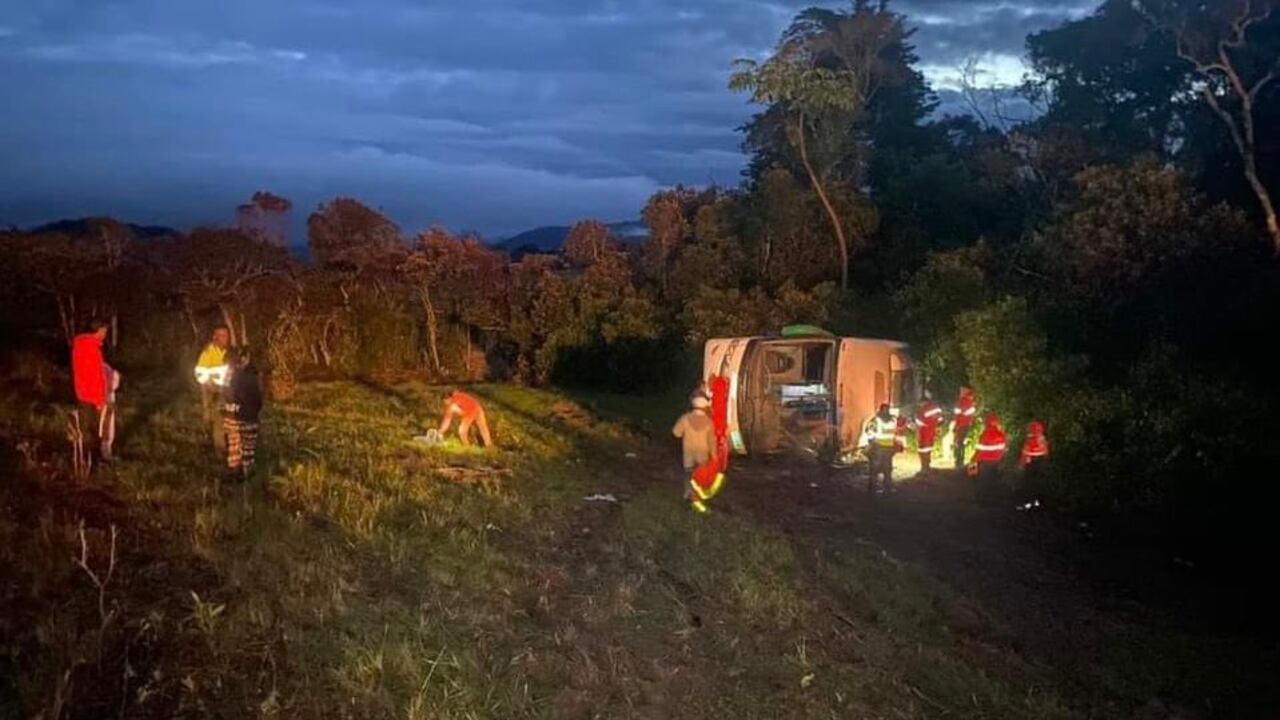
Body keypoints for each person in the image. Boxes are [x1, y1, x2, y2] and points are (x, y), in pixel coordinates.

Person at [71, 319, 121, 463]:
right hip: (91, 395)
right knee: (92, 429)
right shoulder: (92, 348)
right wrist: (100, 399)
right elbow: (96, 376)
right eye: (104, 331)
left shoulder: (80, 344)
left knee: (87, 427)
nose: (105, 334)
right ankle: (90, 460)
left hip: (82, 392)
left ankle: (88, 458)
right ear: (97, 331)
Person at [221, 347, 263, 481]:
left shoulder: (227, 375)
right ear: (244, 359)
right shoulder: (249, 376)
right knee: (247, 447)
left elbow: (224, 393)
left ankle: (234, 472)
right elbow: (256, 398)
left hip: (230, 416)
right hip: (247, 418)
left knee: (233, 446)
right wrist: (255, 410)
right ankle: (247, 473)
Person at [672, 392, 717, 511]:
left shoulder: (685, 418)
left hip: (688, 453)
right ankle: (698, 496)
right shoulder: (709, 422)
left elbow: (676, 433)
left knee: (688, 473)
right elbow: (712, 441)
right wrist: (714, 455)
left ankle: (688, 494)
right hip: (703, 455)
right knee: (700, 477)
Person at [195, 326, 232, 452]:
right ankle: (215, 444)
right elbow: (199, 372)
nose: (225, 338)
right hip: (209, 387)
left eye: (226, 335)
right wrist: (209, 383)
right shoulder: (208, 352)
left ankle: (220, 444)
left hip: (224, 388)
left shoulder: (230, 351)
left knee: (221, 416)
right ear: (215, 337)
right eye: (221, 335)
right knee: (211, 416)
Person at [971, 412, 1008, 505]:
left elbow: (979, 450)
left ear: (987, 422)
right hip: (997, 462)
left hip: (985, 462)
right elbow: (1004, 449)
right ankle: (995, 500)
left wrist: (973, 460)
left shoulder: (984, 434)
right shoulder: (1001, 434)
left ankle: (982, 501)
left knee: (983, 482)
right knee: (994, 480)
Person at [863, 403, 898, 494]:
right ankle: (888, 488)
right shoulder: (893, 420)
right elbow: (896, 431)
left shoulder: (876, 420)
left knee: (874, 469)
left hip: (878, 447)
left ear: (880, 410)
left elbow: (868, 431)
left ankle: (872, 488)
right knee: (887, 469)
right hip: (889, 447)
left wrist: (871, 441)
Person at [1018, 420, 1050, 502]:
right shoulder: (1043, 440)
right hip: (1041, 463)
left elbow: (1024, 454)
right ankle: (1040, 501)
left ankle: (1029, 501)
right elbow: (1046, 453)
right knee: (1040, 482)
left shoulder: (1029, 441)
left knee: (1029, 483)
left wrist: (1021, 465)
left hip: (1031, 464)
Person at [914, 390, 943, 472]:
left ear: (923, 402)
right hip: (932, 431)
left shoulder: (922, 410)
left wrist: (916, 431)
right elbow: (940, 419)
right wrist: (937, 427)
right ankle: (927, 465)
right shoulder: (936, 408)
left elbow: (919, 422)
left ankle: (924, 466)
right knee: (929, 448)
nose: (919, 405)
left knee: (922, 449)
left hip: (924, 431)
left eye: (920, 403)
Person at [951, 386, 978, 470]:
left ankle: (958, 460)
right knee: (960, 443)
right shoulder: (971, 402)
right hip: (966, 425)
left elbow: (957, 414)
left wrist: (956, 425)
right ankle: (960, 460)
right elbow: (970, 414)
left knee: (958, 443)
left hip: (961, 425)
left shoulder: (962, 401)